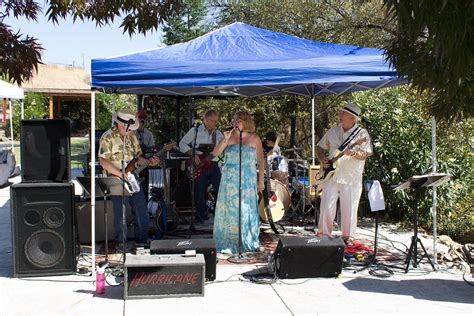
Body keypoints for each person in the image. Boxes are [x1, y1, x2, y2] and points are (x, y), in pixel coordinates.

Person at [98, 109, 159, 246]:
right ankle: (121, 243)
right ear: (120, 125)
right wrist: (120, 174)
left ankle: (142, 241)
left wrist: (150, 161)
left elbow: (138, 158)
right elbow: (103, 161)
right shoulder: (107, 137)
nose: (131, 130)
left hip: (132, 177)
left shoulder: (132, 136)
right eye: (129, 127)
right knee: (121, 214)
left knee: (141, 210)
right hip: (115, 179)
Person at [316, 102, 372, 244]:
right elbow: (320, 147)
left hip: (351, 176)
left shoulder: (362, 134)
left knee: (350, 208)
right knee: (327, 204)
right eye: (341, 112)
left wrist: (353, 153)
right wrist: (322, 159)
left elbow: (365, 154)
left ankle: (348, 237)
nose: (340, 115)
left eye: (344, 113)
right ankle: (323, 234)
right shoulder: (332, 131)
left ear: (353, 118)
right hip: (332, 174)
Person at [211, 111, 265, 254]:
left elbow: (261, 161)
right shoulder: (228, 137)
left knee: (246, 209)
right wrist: (225, 139)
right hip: (230, 180)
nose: (235, 122)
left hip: (247, 179)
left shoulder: (255, 139)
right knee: (231, 210)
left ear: (246, 122)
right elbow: (215, 154)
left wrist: (261, 181)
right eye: (234, 120)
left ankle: (247, 239)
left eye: (238, 120)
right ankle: (228, 240)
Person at [179, 109, 223, 223]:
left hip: (213, 163)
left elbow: (223, 148)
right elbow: (182, 143)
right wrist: (192, 154)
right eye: (213, 121)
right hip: (199, 163)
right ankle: (200, 216)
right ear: (206, 120)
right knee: (199, 190)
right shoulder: (196, 130)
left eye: (216, 121)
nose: (215, 123)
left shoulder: (218, 133)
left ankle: (219, 216)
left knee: (220, 189)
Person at [135, 110, 156, 200]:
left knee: (144, 186)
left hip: (145, 164)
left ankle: (144, 205)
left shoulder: (148, 134)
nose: (142, 120)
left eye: (144, 118)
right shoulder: (130, 133)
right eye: (140, 118)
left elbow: (152, 149)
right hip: (132, 163)